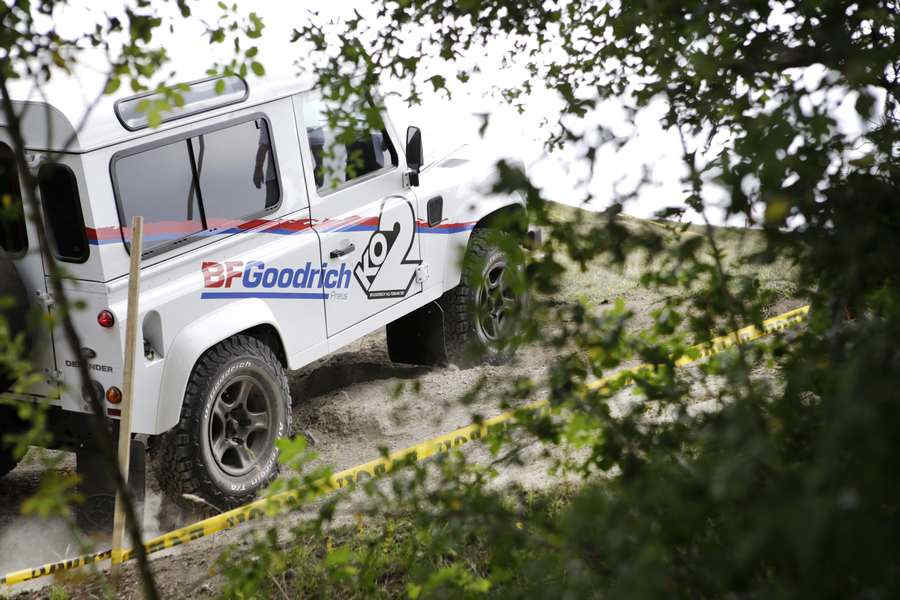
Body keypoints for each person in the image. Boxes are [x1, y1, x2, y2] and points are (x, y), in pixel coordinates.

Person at [253, 121, 278, 207]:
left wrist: (258, 169)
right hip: (294, 173)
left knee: (273, 209)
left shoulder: (267, 118)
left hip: (275, 177)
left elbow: (264, 145)